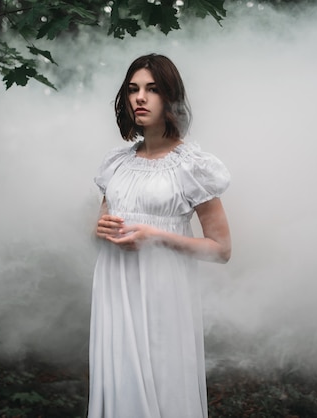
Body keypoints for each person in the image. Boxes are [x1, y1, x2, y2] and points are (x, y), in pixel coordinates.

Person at [88, 53, 231, 418]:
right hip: (115, 288)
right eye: (133, 89)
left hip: (164, 293)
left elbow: (221, 249)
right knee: (120, 383)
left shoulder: (192, 165)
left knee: (163, 382)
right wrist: (100, 229)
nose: (140, 97)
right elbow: (107, 221)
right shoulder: (116, 163)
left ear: (170, 98)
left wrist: (157, 236)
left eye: (152, 89)